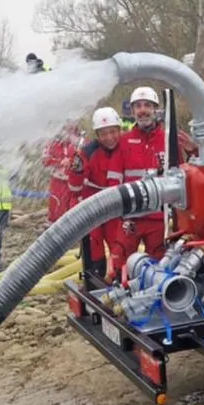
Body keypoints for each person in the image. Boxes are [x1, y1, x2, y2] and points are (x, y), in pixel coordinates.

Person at [115, 86, 170, 267]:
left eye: (147, 105)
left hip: (158, 218)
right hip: (131, 217)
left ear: (156, 109)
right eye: (138, 106)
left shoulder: (168, 139)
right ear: (132, 111)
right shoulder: (123, 141)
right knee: (120, 264)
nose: (143, 110)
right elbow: (114, 180)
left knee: (161, 266)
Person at [68, 107, 125, 280]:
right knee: (93, 248)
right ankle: (94, 283)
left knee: (120, 246)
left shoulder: (126, 147)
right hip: (92, 207)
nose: (109, 138)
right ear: (97, 134)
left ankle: (119, 281)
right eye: (103, 133)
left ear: (119, 130)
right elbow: (74, 188)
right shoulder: (87, 152)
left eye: (113, 132)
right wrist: (76, 171)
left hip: (115, 206)